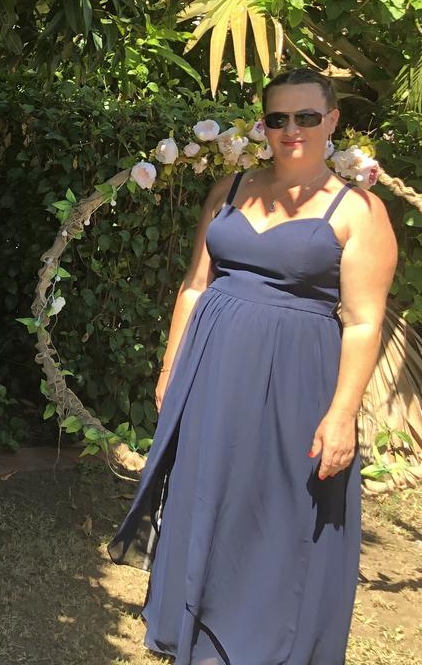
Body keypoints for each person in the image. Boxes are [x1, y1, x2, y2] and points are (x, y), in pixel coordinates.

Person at [110, 68, 398, 664]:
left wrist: (343, 415)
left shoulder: (359, 212)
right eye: (277, 118)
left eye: (307, 118)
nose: (291, 130)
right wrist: (170, 368)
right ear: (263, 124)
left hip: (297, 384)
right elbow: (194, 285)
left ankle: (268, 643)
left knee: (279, 509)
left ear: (332, 122)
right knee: (207, 495)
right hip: (212, 373)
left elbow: (365, 321)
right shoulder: (232, 187)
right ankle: (198, 631)